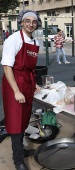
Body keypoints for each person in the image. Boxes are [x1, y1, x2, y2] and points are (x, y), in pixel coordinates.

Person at [1, 10, 42, 170]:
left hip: (27, 81)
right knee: (16, 120)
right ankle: (17, 160)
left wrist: (34, 84)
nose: (31, 24)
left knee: (24, 118)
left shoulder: (35, 42)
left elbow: (30, 68)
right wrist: (16, 91)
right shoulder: (13, 39)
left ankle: (20, 151)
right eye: (27, 21)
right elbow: (6, 67)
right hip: (14, 82)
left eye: (34, 21)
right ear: (21, 22)